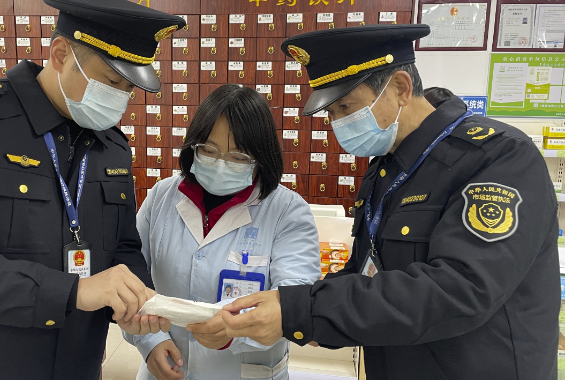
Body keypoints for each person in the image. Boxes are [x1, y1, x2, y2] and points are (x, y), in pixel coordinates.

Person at [199, 24, 560, 380]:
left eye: (346, 106)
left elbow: (460, 288)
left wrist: (301, 310)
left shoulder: (498, 158)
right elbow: (367, 274)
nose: (338, 123)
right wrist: (296, 311)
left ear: (400, 88)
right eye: (331, 113)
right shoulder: (385, 168)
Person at [0, 0, 186, 380]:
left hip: (79, 366)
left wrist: (137, 302)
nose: (120, 98)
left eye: (128, 88)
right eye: (112, 81)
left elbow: (122, 246)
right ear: (60, 54)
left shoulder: (111, 145)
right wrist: (72, 292)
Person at [124, 84, 320, 380]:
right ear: (193, 147)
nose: (220, 164)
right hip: (167, 368)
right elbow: (132, 277)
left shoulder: (288, 212)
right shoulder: (162, 197)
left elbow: (293, 300)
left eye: (238, 157)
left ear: (261, 159)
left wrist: (234, 331)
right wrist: (149, 342)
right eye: (209, 150)